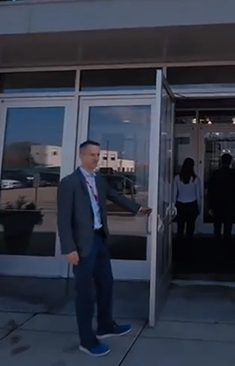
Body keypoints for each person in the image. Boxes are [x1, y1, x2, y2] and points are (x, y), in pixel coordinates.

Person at [57, 140, 152, 357]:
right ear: (81, 156)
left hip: (99, 240)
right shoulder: (69, 183)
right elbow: (63, 219)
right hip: (82, 245)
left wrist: (138, 209)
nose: (96, 158)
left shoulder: (98, 180)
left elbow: (115, 197)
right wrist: (68, 248)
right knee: (85, 294)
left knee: (106, 284)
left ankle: (106, 325)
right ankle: (86, 340)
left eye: (98, 154)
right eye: (92, 154)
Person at [207, 153, 235, 249]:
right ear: (230, 162)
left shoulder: (215, 174)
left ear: (221, 162)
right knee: (228, 227)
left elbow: (211, 191)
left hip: (217, 204)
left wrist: (210, 205)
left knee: (217, 227)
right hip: (230, 204)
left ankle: (216, 246)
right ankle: (227, 247)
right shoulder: (234, 174)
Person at [171, 158, 202, 258]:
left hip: (180, 205)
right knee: (190, 230)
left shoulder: (177, 178)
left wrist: (173, 205)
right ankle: (189, 251)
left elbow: (174, 194)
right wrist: (199, 207)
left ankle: (178, 251)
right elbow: (198, 195)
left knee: (180, 229)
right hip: (192, 205)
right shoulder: (196, 179)